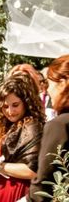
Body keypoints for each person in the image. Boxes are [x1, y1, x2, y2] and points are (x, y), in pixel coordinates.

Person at [0, 74, 44, 202]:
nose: (10, 111)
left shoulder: (31, 126)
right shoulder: (8, 124)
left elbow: (32, 171)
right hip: (1, 187)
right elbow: (3, 154)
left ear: (26, 103)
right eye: (5, 106)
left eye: (15, 105)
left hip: (18, 191)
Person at [28, 55, 69, 201]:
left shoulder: (60, 125)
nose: (48, 91)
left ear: (62, 83)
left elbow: (43, 185)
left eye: (50, 84)